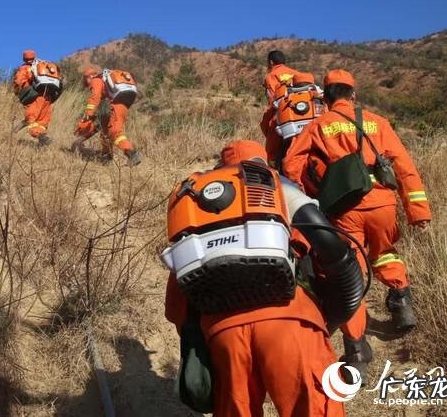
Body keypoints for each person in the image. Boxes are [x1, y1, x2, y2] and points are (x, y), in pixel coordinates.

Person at [163, 140, 364, 416]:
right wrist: (325, 320)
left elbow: (177, 307)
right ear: (262, 165)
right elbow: (333, 253)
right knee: (313, 408)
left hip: (225, 332)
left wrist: (209, 332)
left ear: (221, 169)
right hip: (292, 322)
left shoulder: (198, 210)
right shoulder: (278, 189)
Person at [283, 69, 432, 376]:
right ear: (353, 95)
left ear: (325, 98)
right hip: (383, 205)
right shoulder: (378, 122)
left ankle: (356, 352)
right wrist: (419, 211)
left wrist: (310, 190)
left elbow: (290, 164)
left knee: (350, 275)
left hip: (344, 209)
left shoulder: (318, 124)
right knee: (385, 251)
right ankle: (402, 302)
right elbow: (404, 167)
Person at [73, 67, 142, 166]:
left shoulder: (96, 80)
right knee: (106, 129)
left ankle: (132, 153)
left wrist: (88, 114)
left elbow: (95, 97)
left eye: (85, 80)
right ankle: (106, 156)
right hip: (129, 96)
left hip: (119, 99)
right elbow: (102, 102)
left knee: (114, 131)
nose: (87, 84)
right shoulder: (106, 80)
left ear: (89, 77)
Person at [260, 50, 310, 167]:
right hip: (305, 112)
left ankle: (273, 165)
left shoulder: (271, 76)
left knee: (269, 127)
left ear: (271, 62)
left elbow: (273, 101)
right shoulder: (295, 73)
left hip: (284, 114)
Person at [12, 49, 61, 146]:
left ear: (24, 58)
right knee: (42, 122)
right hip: (48, 98)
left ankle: (42, 138)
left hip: (36, 97)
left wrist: (18, 93)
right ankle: (41, 144)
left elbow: (18, 82)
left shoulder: (26, 68)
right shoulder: (44, 66)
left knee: (31, 119)